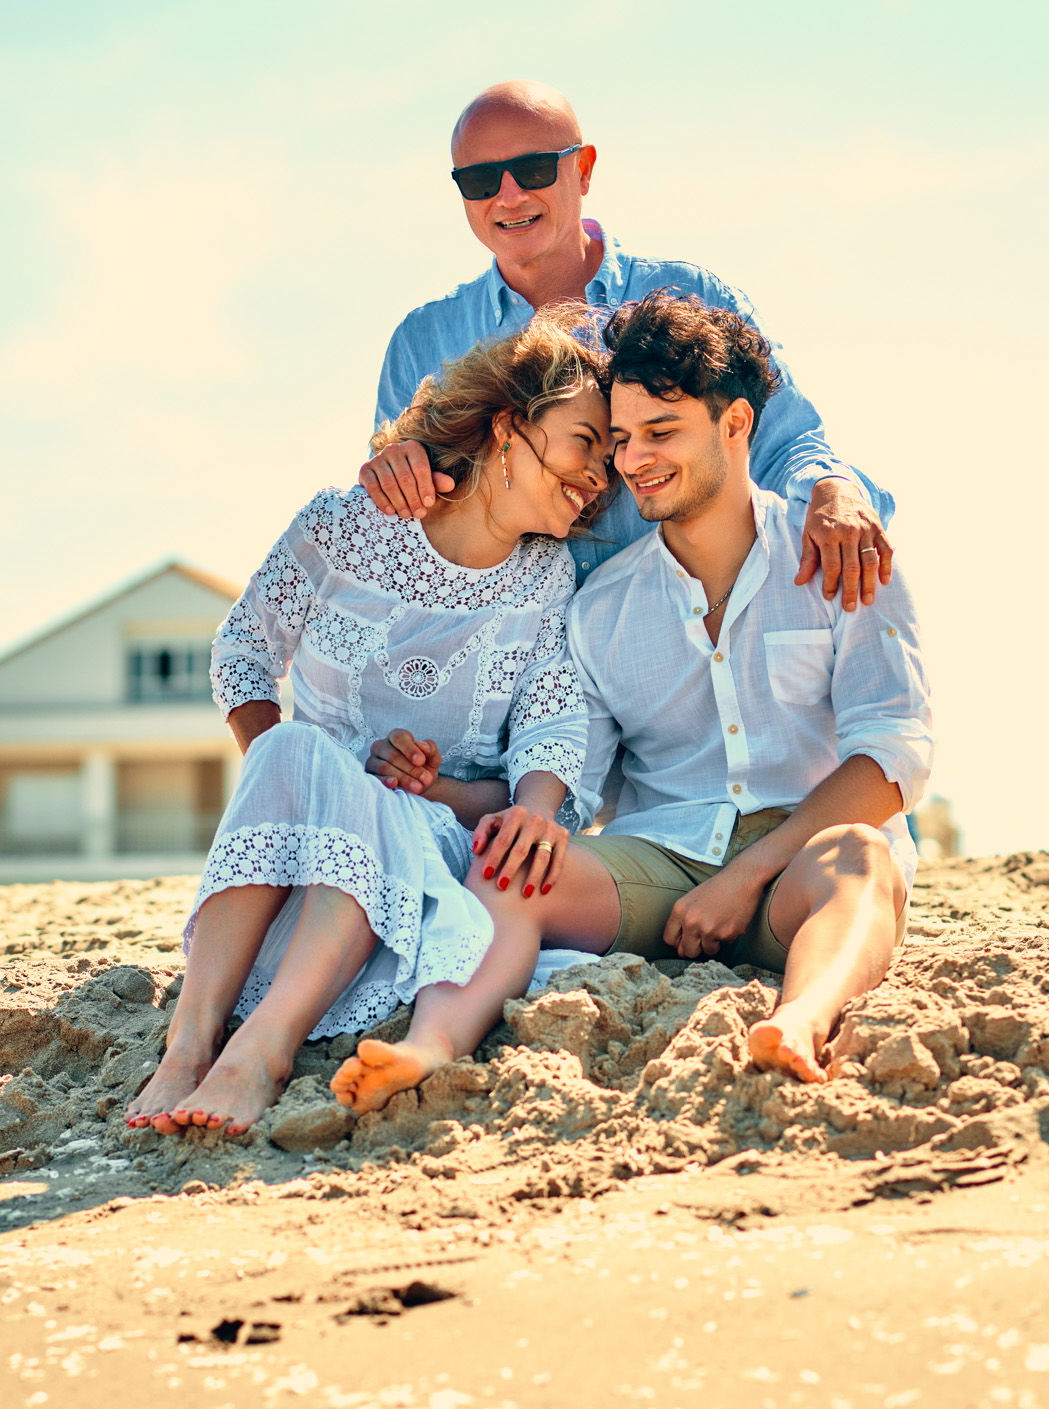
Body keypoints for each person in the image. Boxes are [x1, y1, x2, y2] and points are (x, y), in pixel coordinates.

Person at [336, 292, 932, 1110]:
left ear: (735, 424)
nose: (634, 461)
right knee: (513, 864)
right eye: (619, 439)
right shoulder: (600, 608)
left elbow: (894, 756)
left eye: (662, 432)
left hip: (805, 864)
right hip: (663, 865)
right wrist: (431, 786)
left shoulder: (839, 553)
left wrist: (746, 875)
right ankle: (431, 1043)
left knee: (863, 856)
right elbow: (565, 787)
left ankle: (799, 1020)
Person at [125, 310, 609, 1137]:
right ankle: (189, 1045)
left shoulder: (547, 576)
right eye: (584, 443)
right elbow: (242, 651)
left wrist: (448, 790)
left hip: (418, 868)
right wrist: (301, 787)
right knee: (292, 746)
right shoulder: (343, 525)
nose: (598, 476)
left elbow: (550, 730)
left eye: (606, 459)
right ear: (509, 427)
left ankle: (264, 1051)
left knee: (374, 801)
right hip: (281, 879)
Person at [360, 78, 894, 612]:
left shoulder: (691, 296)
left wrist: (833, 489)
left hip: (689, 639)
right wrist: (391, 475)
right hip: (512, 656)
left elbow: (784, 442)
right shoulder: (421, 341)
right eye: (479, 180)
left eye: (534, 169)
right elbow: (397, 533)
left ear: (584, 169)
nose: (509, 195)